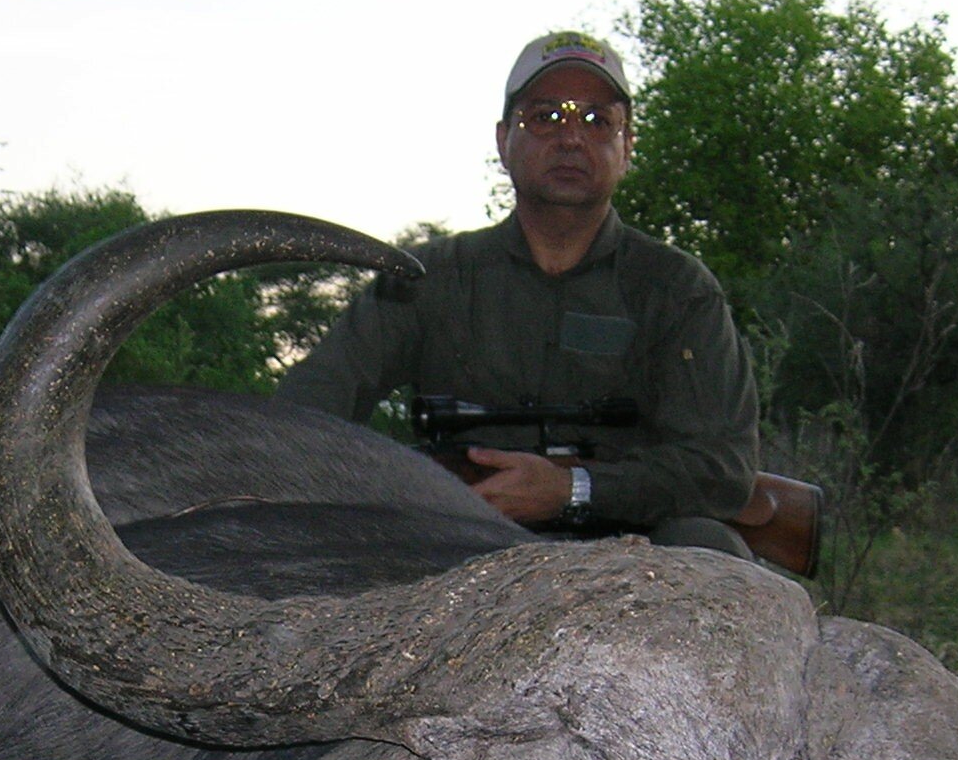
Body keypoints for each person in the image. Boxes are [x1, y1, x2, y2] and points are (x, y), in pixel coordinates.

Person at [277, 29, 758, 557]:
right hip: (452, 538)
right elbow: (307, 412)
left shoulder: (678, 289)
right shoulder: (428, 275)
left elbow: (722, 469)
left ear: (627, 148)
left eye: (598, 121)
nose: (571, 138)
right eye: (545, 117)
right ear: (504, 140)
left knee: (710, 549)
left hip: (628, 546)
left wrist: (571, 490)